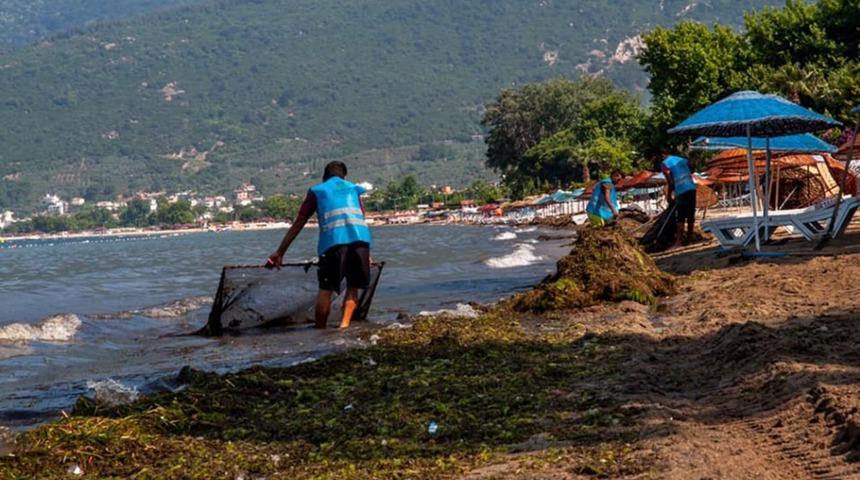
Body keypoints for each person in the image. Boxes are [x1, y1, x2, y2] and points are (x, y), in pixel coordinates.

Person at [266, 161, 372, 329]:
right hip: (361, 243)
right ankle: (344, 327)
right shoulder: (353, 189)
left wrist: (280, 252)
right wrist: (367, 253)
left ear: (324, 177)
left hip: (333, 244)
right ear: (344, 177)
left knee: (326, 289)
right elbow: (360, 218)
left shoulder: (318, 191)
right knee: (353, 287)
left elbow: (299, 222)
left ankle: (320, 331)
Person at [661, 155, 697, 248]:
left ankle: (679, 242)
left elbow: (671, 183)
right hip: (691, 188)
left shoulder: (664, 164)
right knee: (690, 215)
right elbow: (692, 169)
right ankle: (690, 239)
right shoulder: (682, 160)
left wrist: (669, 195)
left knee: (680, 217)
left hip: (681, 190)